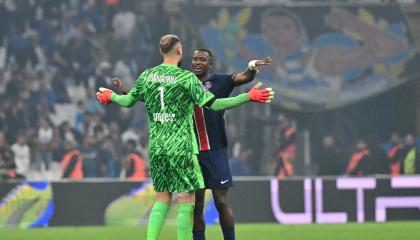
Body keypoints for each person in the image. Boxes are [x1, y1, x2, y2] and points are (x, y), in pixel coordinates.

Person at [96, 34, 274, 240]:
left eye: (202, 59)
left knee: (165, 198)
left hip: (163, 147)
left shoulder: (148, 75)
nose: (197, 62)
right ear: (180, 51)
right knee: (188, 200)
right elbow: (214, 104)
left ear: (160, 51)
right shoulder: (185, 79)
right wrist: (247, 97)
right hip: (183, 147)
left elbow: (130, 101)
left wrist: (112, 96)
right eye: (194, 58)